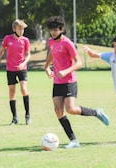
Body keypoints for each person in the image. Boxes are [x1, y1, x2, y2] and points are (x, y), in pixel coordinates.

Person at [44, 16, 110, 149]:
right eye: (51, 30)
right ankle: (74, 140)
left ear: (61, 29)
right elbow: (52, 53)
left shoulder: (67, 43)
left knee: (71, 109)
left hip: (69, 80)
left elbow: (78, 63)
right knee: (58, 110)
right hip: (57, 82)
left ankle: (96, 112)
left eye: (56, 30)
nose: (53, 32)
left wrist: (65, 71)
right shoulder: (51, 41)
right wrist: (46, 66)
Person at [0, 19, 32, 125]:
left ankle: (28, 116)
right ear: (14, 29)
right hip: (10, 69)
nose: (21, 31)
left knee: (23, 89)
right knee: (12, 92)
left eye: (23, 29)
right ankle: (15, 118)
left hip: (22, 69)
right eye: (19, 29)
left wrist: (23, 63)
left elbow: (28, 55)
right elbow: (1, 52)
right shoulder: (7, 39)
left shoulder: (25, 40)